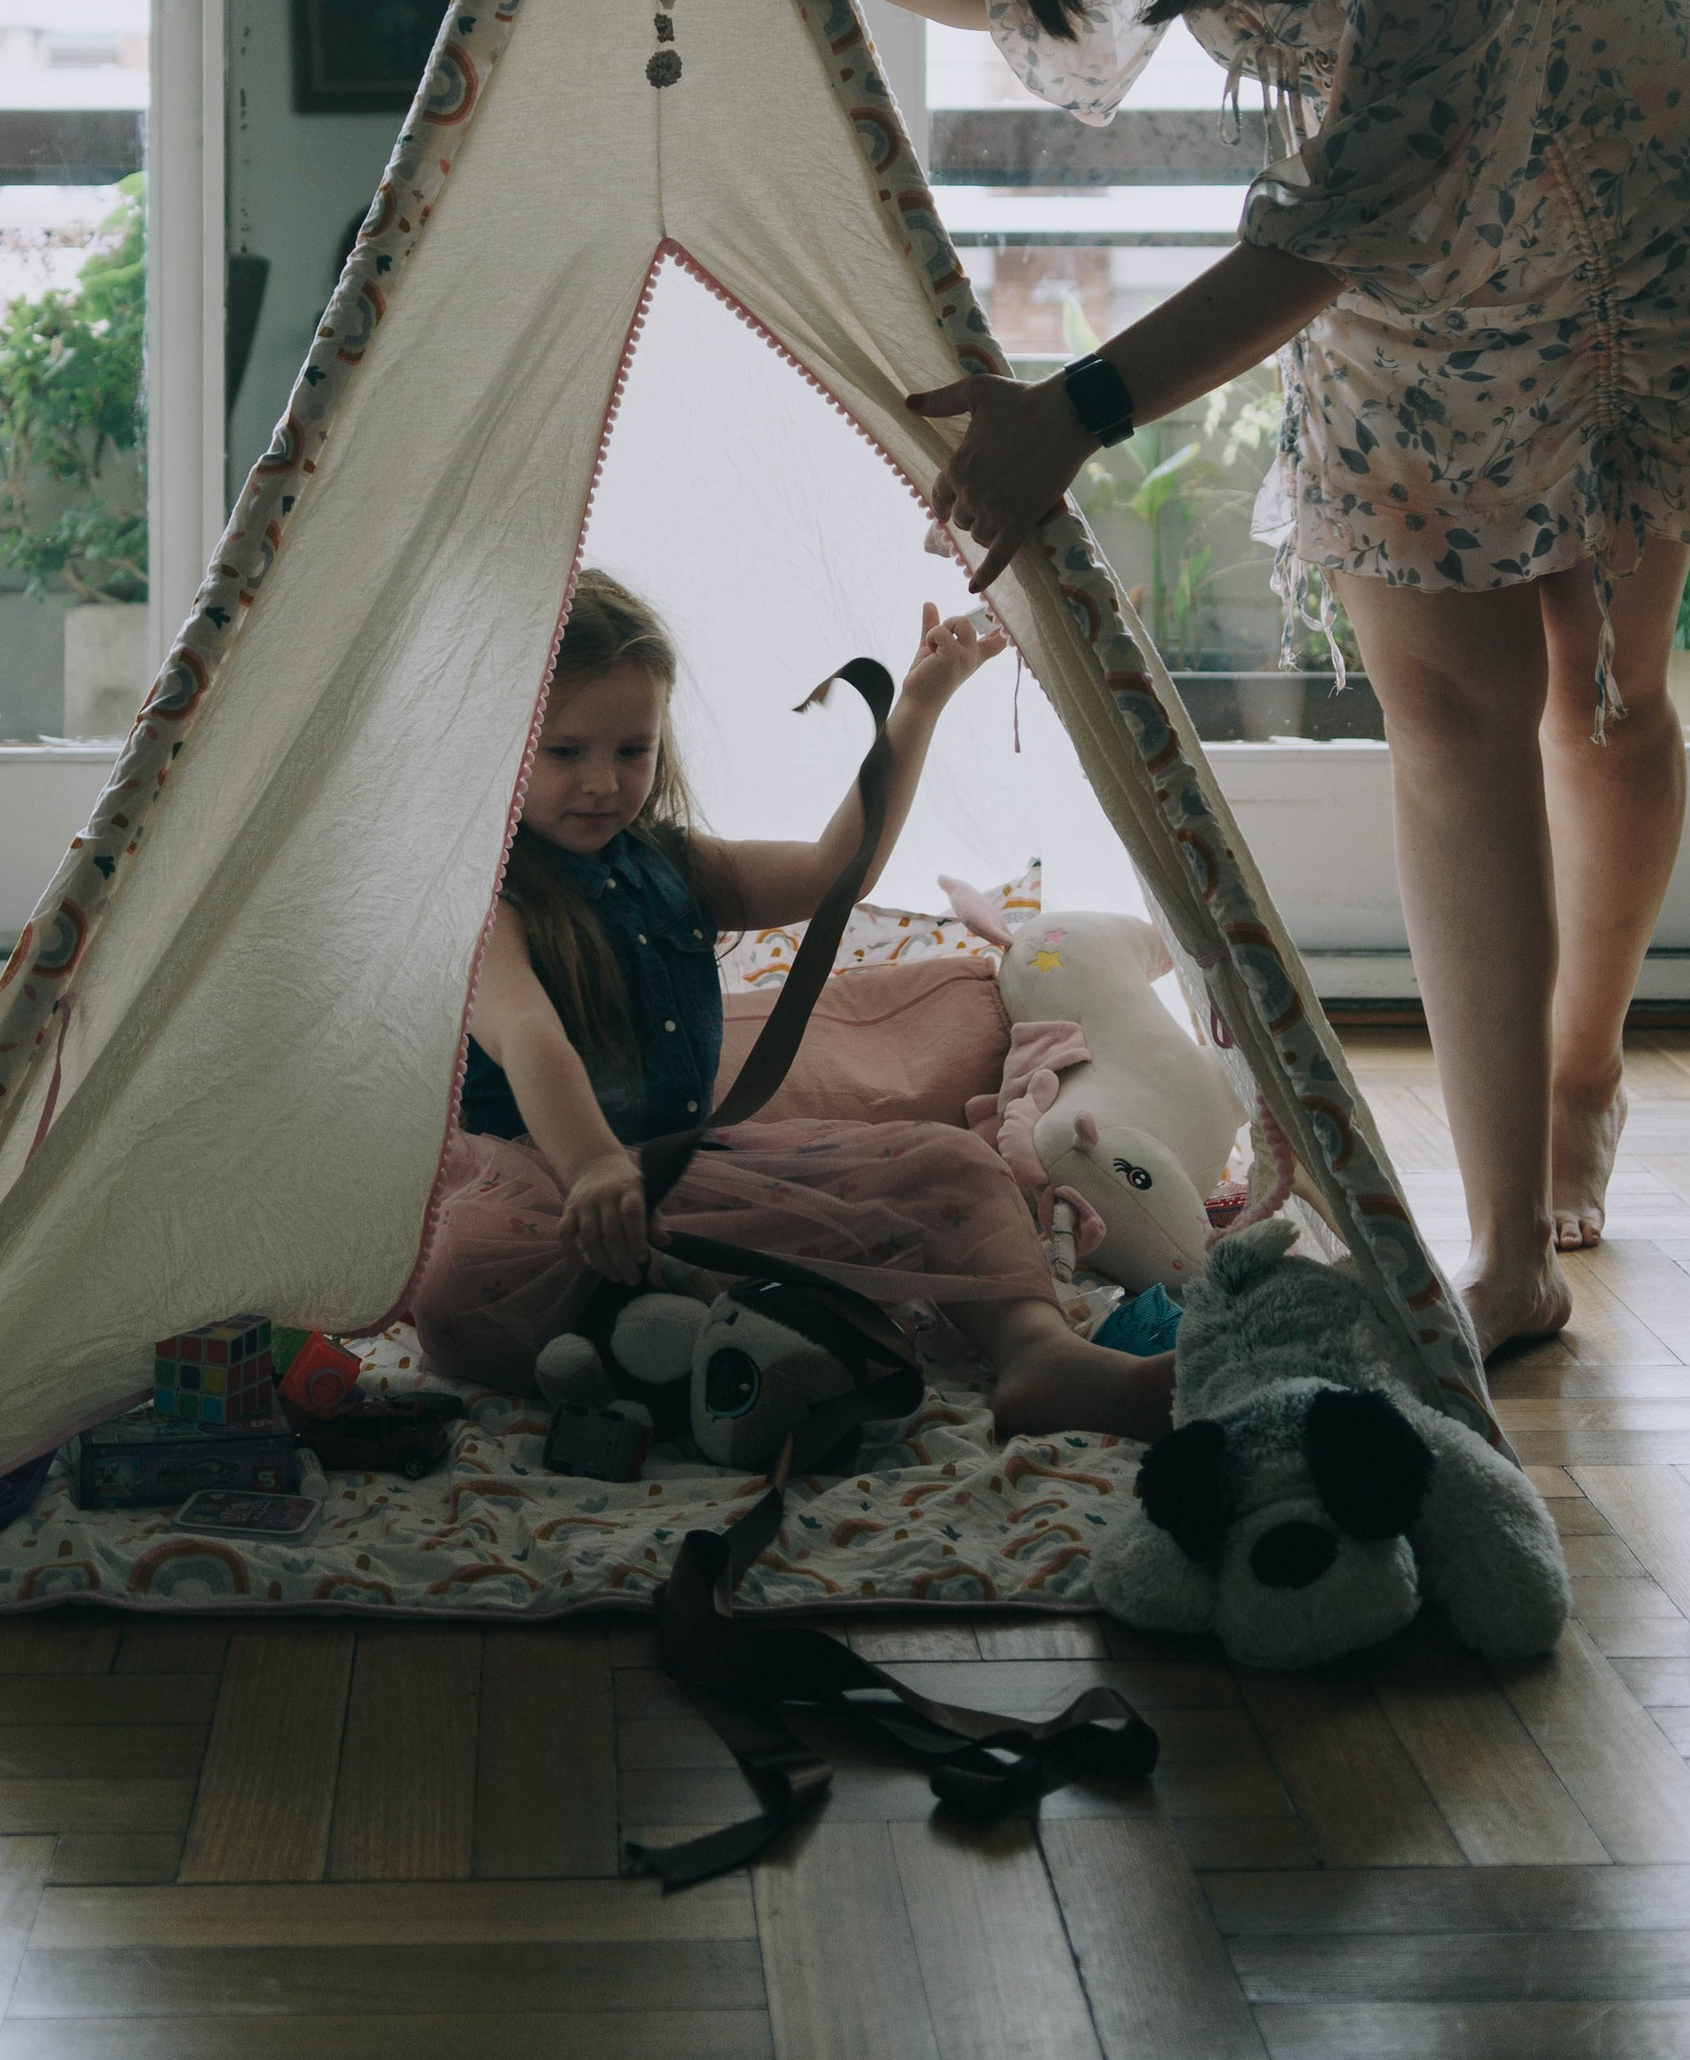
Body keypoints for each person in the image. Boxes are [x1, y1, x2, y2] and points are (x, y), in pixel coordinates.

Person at [752, 0, 1690, 1360]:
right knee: (1454, 725)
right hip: (1396, 292)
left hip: (1615, 215)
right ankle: (1506, 1253)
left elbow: (1379, 179)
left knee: (1607, 692)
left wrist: (1073, 407)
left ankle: (1585, 1060)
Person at [409, 567, 1176, 1443]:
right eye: (565, 752)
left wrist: (915, 709)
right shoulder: (487, 896)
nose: (602, 783)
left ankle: (1039, 1355)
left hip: (684, 1180)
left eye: (632, 750)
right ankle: (720, 1345)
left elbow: (828, 873)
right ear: (503, 743)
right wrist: (590, 1166)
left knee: (949, 1163)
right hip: (552, 1193)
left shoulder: (670, 862)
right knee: (459, 1278)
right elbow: (527, 1031)